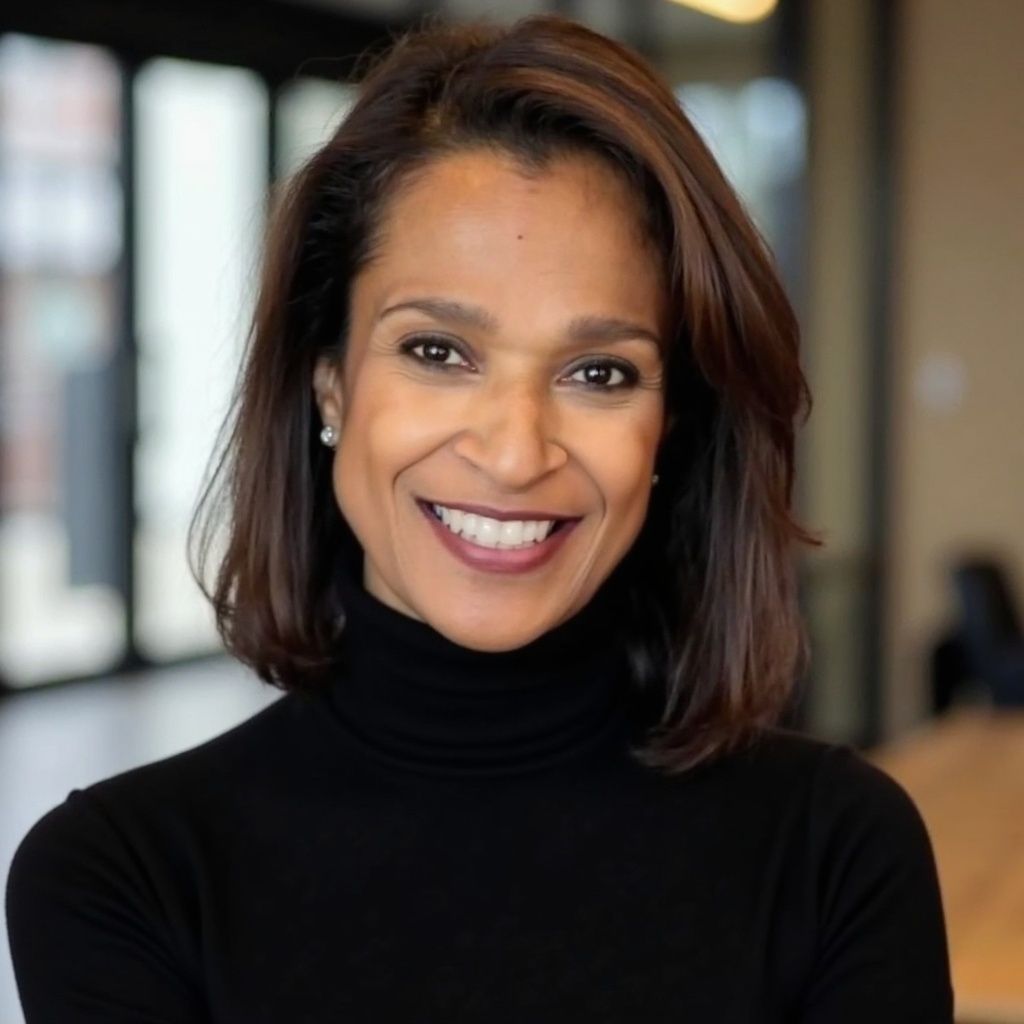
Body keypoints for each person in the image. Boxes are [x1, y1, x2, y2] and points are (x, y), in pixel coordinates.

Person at [5, 15, 953, 1023]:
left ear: (668, 428)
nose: (513, 452)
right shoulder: (124, 876)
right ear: (328, 381)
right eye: (438, 352)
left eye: (599, 372)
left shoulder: (836, 850)